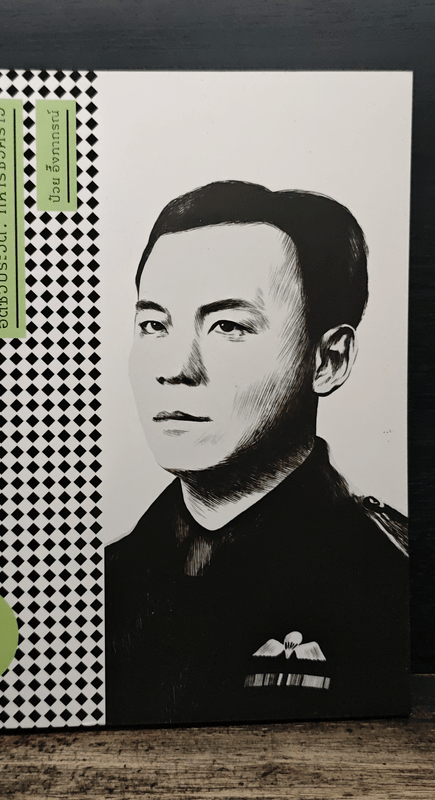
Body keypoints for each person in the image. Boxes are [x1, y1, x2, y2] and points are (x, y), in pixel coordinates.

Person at [105, 181, 409, 726]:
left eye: (228, 326)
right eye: (153, 325)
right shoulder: (100, 581)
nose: (175, 369)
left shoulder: (389, 580)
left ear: (328, 361)